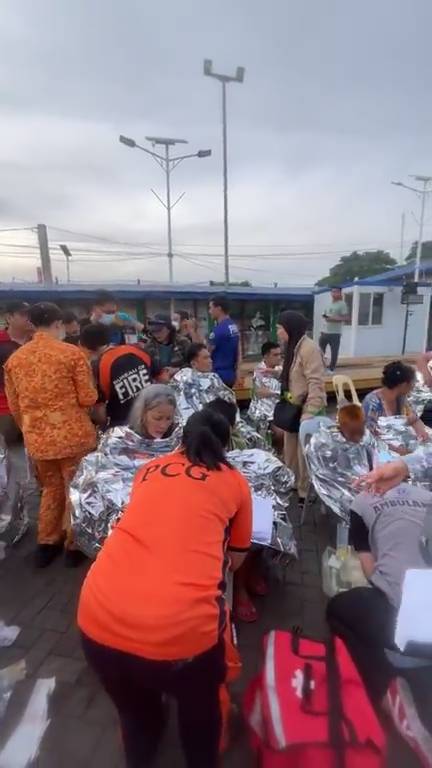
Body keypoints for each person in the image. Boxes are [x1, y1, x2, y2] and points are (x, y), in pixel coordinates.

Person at [78, 409, 252, 768]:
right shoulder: (235, 482)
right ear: (225, 444)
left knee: (137, 717)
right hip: (180, 634)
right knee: (199, 722)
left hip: (97, 617)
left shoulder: (149, 469)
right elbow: (236, 559)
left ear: (181, 439)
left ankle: (142, 750)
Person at [326, 481, 432, 750]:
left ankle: (386, 689)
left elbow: (370, 569)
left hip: (405, 630)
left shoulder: (360, 504)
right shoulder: (427, 497)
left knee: (338, 608)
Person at [4, 302, 98, 568]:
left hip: (38, 438)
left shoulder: (16, 360)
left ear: (32, 324)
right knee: (75, 489)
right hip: (73, 436)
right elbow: (87, 397)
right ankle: (73, 544)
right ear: (58, 324)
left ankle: (46, 542)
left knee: (50, 488)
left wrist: (31, 428)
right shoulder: (72, 354)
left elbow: (14, 406)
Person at [277, 311, 327, 503]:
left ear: (290, 328)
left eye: (280, 329)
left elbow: (316, 382)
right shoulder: (293, 346)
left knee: (303, 454)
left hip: (307, 409)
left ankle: (305, 493)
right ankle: (293, 483)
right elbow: (295, 375)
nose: (278, 333)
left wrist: (310, 412)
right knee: (290, 452)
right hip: (294, 408)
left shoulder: (309, 349)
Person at [92, 337, 159, 429]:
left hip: (122, 423)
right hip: (152, 413)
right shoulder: (136, 350)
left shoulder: (98, 366)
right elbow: (162, 377)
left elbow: (100, 412)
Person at [362, 360, 428, 444]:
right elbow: (370, 435)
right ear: (403, 385)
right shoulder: (372, 402)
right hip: (378, 446)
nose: (413, 386)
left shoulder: (402, 397)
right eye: (412, 383)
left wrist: (420, 431)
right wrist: (396, 449)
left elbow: (413, 418)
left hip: (398, 441)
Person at [0, 301, 31, 445]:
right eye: (23, 314)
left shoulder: (38, 341)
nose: (28, 318)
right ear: (9, 317)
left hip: (34, 409)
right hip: (4, 408)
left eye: (30, 314)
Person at [144, 314, 190, 380]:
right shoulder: (149, 346)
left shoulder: (183, 342)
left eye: (159, 330)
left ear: (169, 328)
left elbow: (193, 363)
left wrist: (177, 369)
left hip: (182, 379)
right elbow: (146, 368)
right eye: (153, 331)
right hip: (159, 382)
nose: (156, 334)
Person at [208, 297, 240, 387]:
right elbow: (238, 351)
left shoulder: (218, 330)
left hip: (218, 375)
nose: (209, 311)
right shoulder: (234, 327)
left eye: (211, 308)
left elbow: (207, 352)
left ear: (219, 308)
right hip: (230, 373)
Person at [319, 286, 349, 372]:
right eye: (332, 292)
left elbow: (346, 318)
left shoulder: (342, 304)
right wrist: (325, 317)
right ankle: (320, 367)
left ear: (340, 293)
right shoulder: (329, 304)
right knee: (320, 351)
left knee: (334, 352)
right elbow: (324, 314)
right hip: (324, 331)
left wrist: (333, 318)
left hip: (335, 333)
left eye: (336, 292)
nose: (334, 294)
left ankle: (331, 369)